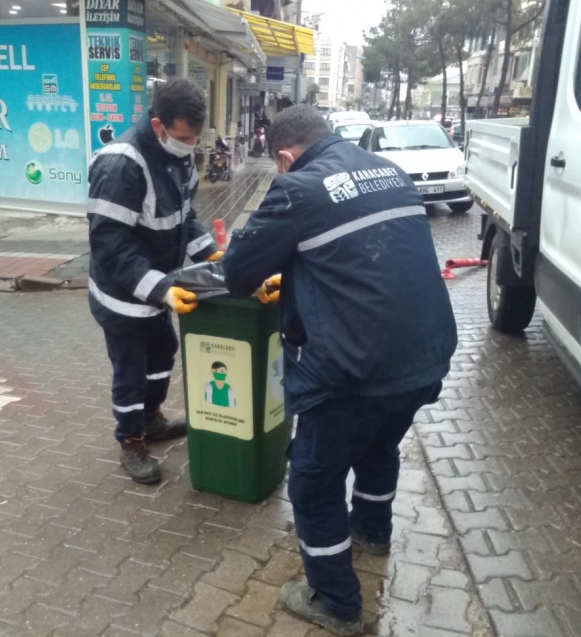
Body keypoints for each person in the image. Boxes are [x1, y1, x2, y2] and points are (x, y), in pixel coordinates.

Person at [222, 105, 457, 636]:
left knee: (312, 479)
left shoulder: (296, 188)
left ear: (285, 156)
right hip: (425, 357)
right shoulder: (389, 170)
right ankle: (373, 532)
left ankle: (336, 602)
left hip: (356, 370)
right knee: (378, 446)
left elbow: (238, 273)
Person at [87, 79, 222, 485]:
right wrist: (160, 288)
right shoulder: (121, 164)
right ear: (159, 124)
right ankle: (130, 439)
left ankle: (151, 419)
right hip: (124, 297)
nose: (189, 145)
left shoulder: (177, 156)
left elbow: (184, 214)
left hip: (158, 290)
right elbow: (109, 243)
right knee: (130, 368)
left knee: (163, 352)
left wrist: (207, 253)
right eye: (183, 137)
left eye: (194, 138)